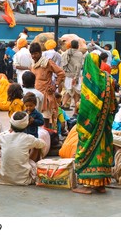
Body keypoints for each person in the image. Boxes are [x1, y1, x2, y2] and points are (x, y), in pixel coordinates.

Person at [73, 53, 117, 194]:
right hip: (105, 125)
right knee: (103, 150)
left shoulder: (89, 81)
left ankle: (87, 185)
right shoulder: (109, 79)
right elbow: (113, 105)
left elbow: (86, 108)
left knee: (87, 148)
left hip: (90, 126)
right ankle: (101, 184)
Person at [0, 111, 46, 185]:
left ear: (11, 124)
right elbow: (43, 144)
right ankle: (30, 165)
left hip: (3, 178)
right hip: (23, 179)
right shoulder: (28, 138)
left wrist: (8, 132)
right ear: (26, 124)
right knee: (37, 146)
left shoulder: (4, 136)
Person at [30, 42, 65, 128]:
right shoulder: (33, 64)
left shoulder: (47, 62)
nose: (34, 56)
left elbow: (61, 73)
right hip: (35, 95)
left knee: (46, 119)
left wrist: (55, 85)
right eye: (32, 54)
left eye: (35, 53)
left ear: (40, 53)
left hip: (46, 95)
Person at [61, 39, 83, 111]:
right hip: (75, 76)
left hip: (67, 76)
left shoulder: (65, 53)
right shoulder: (79, 54)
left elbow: (63, 65)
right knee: (76, 93)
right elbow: (78, 66)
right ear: (78, 46)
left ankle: (63, 105)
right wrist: (76, 78)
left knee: (68, 92)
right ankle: (76, 109)